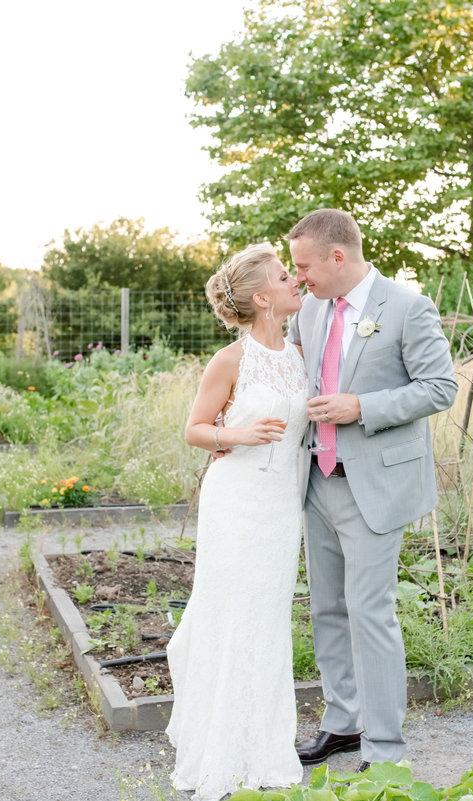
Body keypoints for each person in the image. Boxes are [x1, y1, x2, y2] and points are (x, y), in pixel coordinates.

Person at [286, 209, 458, 772]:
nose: (299, 277)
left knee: (370, 612)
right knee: (328, 609)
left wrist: (362, 407)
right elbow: (290, 376)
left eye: (304, 265)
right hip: (317, 480)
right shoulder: (309, 311)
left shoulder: (408, 307)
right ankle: (341, 723)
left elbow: (439, 387)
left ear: (338, 257)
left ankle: (385, 750)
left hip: (375, 488)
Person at [166, 243, 308, 800]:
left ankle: (264, 749)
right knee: (232, 617)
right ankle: (218, 753)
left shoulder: (299, 354)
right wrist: (238, 435)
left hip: (280, 507)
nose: (295, 279)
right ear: (261, 296)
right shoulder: (231, 359)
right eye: (283, 275)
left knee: (268, 620)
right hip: (235, 503)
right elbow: (196, 429)